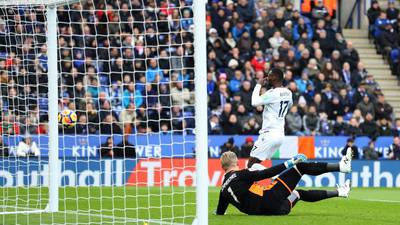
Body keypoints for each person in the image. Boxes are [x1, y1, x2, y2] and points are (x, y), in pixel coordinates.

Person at [215, 149, 352, 216]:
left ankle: (341, 192)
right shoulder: (240, 174)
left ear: (223, 167)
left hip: (276, 210)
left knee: (297, 194)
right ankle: (341, 167)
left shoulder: (223, 190)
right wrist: (289, 163)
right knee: (301, 167)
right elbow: (266, 173)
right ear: (237, 162)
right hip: (270, 199)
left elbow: (220, 212)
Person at [247, 68, 292, 168]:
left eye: (270, 75)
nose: (267, 78)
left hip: (269, 134)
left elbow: (254, 102)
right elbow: (289, 105)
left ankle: (275, 177)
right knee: (255, 164)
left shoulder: (272, 93)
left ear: (275, 78)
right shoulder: (289, 93)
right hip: (280, 134)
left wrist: (258, 84)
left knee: (250, 165)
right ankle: (259, 182)